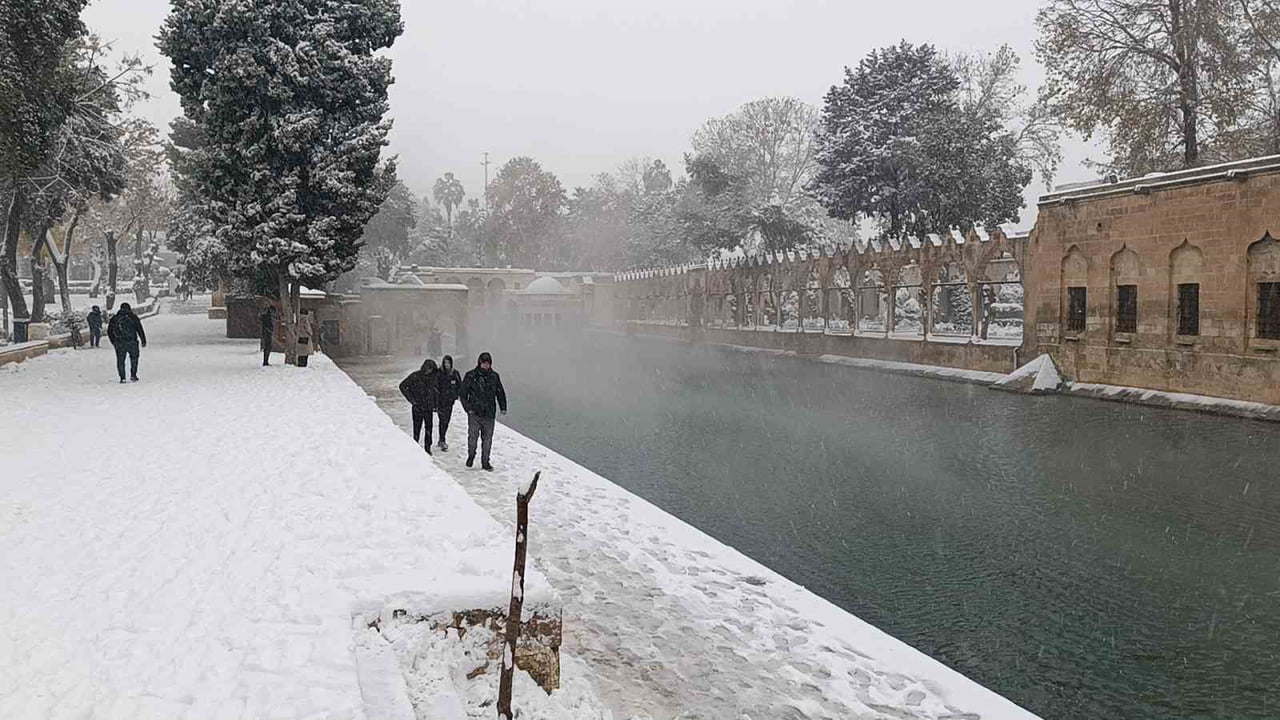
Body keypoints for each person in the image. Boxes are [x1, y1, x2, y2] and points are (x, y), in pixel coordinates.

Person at [460, 351, 507, 471]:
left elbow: (500, 392)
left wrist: (503, 407)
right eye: (484, 363)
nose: (486, 366)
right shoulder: (471, 376)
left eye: (488, 364)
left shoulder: (494, 377)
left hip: (489, 413)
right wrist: (468, 408)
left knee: (487, 439)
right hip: (474, 413)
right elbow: (463, 394)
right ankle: (471, 456)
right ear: (479, 363)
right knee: (472, 437)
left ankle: (485, 462)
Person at [399, 359, 440, 454]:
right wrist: (412, 400)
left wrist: (435, 404)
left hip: (428, 407)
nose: (429, 371)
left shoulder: (433, 377)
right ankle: (415, 445)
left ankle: (427, 447)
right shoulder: (415, 376)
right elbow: (402, 386)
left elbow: (437, 391)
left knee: (429, 427)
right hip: (417, 406)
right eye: (428, 369)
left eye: (431, 369)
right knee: (417, 428)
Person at [107, 302, 147, 383]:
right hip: (132, 341)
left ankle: (122, 377)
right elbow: (139, 329)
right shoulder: (133, 317)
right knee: (134, 359)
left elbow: (109, 331)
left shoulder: (115, 318)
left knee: (120, 360)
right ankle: (133, 375)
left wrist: (113, 341)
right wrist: (143, 340)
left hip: (119, 342)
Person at [435, 354, 463, 451]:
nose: (447, 364)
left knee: (446, 420)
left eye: (448, 363)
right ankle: (442, 439)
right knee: (442, 420)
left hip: (449, 401)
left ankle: (441, 438)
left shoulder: (454, 373)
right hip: (440, 401)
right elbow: (435, 386)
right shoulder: (439, 373)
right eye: (445, 363)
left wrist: (456, 395)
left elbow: (460, 386)